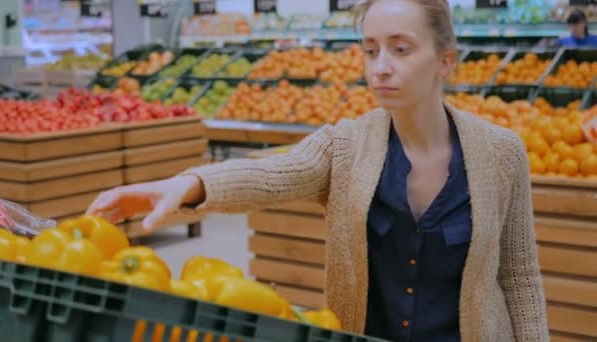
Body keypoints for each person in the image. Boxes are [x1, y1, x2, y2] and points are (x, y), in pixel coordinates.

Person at [87, 0, 549, 340]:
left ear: (445, 61)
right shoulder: (346, 146)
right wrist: (188, 184)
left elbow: (520, 278)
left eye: (401, 49)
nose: (380, 68)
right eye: (370, 51)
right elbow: (272, 175)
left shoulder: (501, 154)